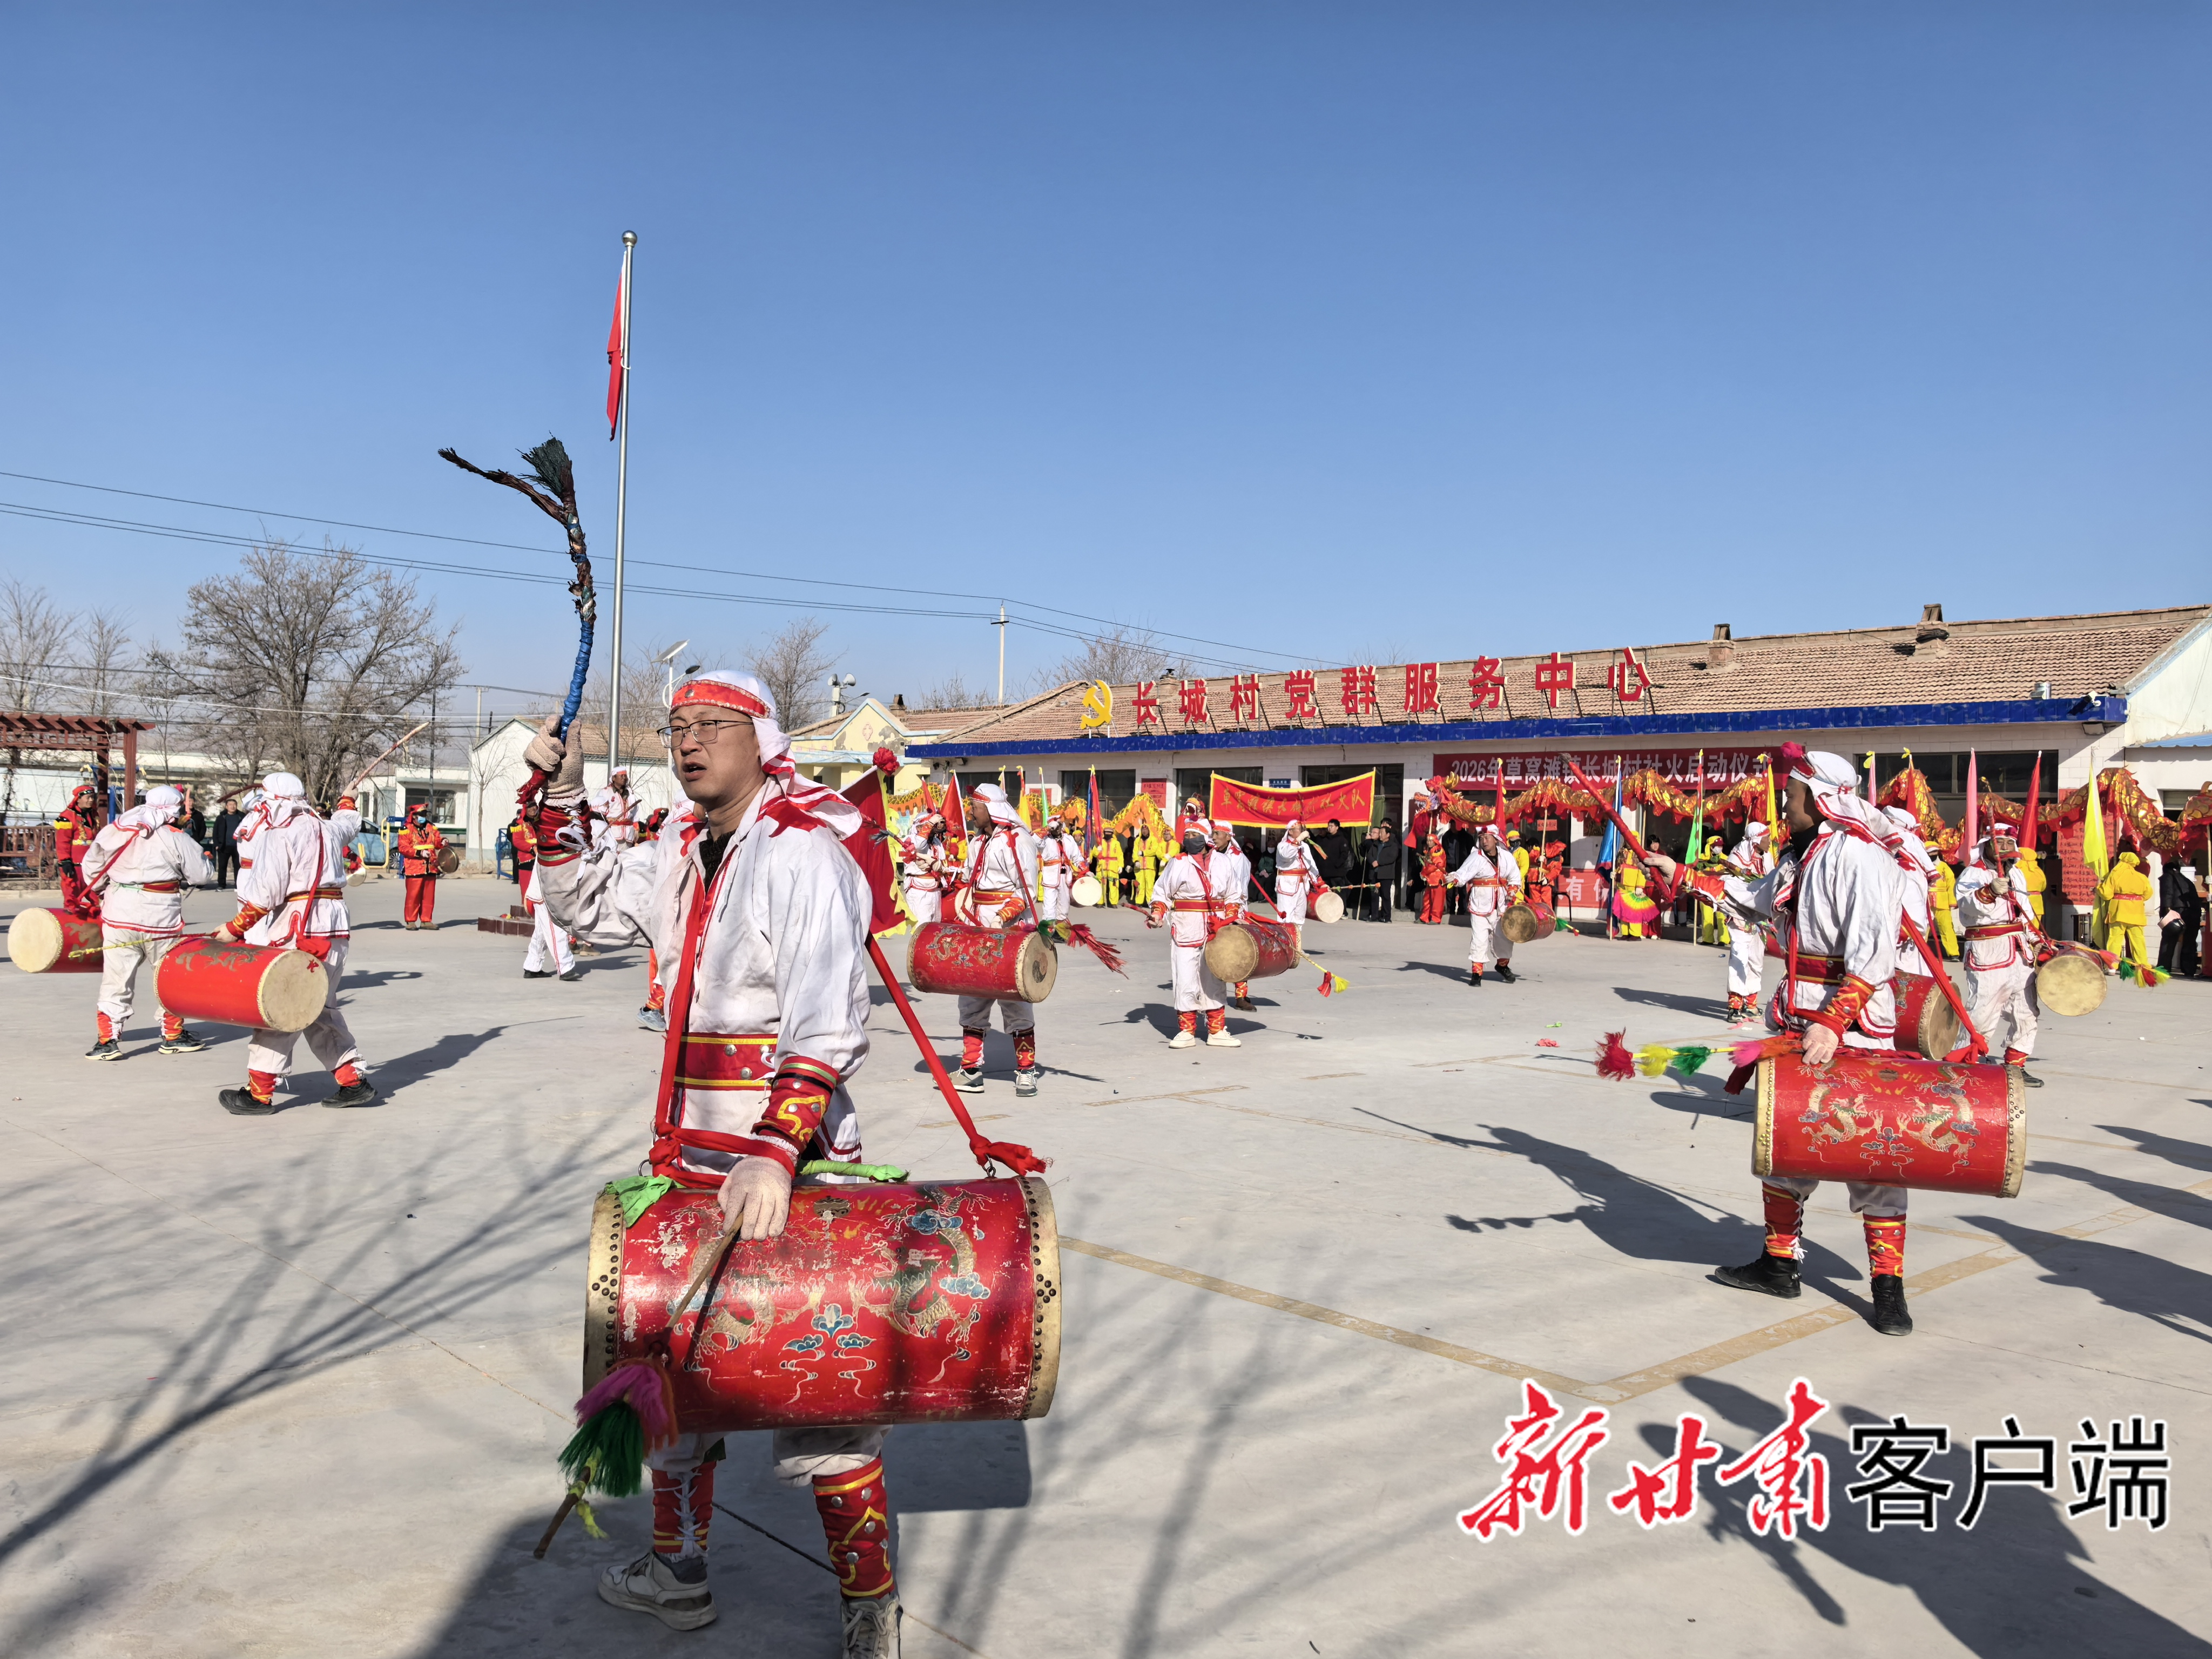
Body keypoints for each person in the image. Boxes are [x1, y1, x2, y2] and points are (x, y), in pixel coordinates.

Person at [523, 671, 904, 1656]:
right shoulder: (679, 847)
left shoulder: (803, 851)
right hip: (690, 1157)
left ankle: (869, 1610)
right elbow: (585, 905)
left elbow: (829, 1018)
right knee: (675, 1375)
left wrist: (777, 1150)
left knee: (824, 1392)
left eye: (711, 726)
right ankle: (677, 1570)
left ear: (761, 740)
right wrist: (561, 795)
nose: (688, 742)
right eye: (677, 727)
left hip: (794, 1162)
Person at [1647, 748, 1916, 1338]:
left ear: (1821, 799)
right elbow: (1752, 898)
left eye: (1791, 796)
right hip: (1797, 1024)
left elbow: (1874, 951)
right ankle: (1778, 1264)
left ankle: (1888, 1289)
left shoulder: (1861, 857)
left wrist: (1834, 1022)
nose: (1783, 806)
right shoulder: (1799, 857)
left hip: (1853, 1030)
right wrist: (1680, 873)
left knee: (1872, 1157)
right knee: (1785, 1147)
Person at [217, 774, 375, 1114]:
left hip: (299, 929)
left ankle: (259, 1094)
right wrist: (348, 799)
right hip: (335, 929)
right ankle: (352, 1082)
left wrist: (235, 928)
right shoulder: (328, 828)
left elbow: (266, 894)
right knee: (318, 1006)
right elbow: (348, 822)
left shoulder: (279, 833)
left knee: (283, 1010)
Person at [78, 784, 217, 1058]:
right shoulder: (176, 837)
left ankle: (107, 1041)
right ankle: (172, 1035)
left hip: (119, 914)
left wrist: (107, 889)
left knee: (116, 978)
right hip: (160, 918)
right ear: (173, 810)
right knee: (168, 976)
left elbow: (91, 868)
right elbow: (201, 876)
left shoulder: (115, 830)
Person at [952, 784, 1043, 1097]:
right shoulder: (978, 841)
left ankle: (1027, 1072)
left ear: (990, 809)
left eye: (975, 807)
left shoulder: (1019, 841)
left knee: (1015, 1000)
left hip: (1010, 930)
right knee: (972, 998)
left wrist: (1002, 917)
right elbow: (970, 879)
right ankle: (971, 1070)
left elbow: (1027, 890)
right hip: (978, 928)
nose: (971, 812)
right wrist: (939, 869)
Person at [1955, 830, 2045, 1087]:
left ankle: (2015, 1066)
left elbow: (2025, 911)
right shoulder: (1973, 874)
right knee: (1982, 1011)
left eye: (2008, 842)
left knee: (2027, 1012)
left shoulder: (2017, 873)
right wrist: (1989, 891)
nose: (2004, 846)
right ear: (1986, 845)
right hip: (1988, 950)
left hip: (2019, 951)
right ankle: (1967, 1066)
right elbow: (1967, 906)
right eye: (1998, 842)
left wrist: (2036, 940)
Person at [1148, 817, 1238, 1048]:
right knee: (1185, 977)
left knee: (1215, 977)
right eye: (1186, 836)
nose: (1189, 839)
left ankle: (1217, 1031)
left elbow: (1234, 895)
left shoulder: (1223, 862)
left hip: (1217, 928)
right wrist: (1158, 914)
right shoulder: (1178, 862)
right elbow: (1162, 893)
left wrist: (1230, 919)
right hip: (1186, 927)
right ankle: (1187, 1031)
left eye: (1194, 835)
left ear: (1206, 838)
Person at [1445, 822, 1523, 986]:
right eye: (1481, 838)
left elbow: (1515, 877)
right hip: (1480, 904)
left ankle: (1503, 966)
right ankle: (1476, 973)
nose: (1484, 841)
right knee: (1479, 940)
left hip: (1501, 905)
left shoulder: (1506, 856)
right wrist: (1454, 878)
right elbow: (1462, 874)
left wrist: (1512, 890)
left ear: (1495, 839)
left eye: (1487, 838)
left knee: (1504, 938)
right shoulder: (1476, 857)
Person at [1884, 807, 1939, 981]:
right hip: (1901, 945)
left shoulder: (1904, 868)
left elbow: (1912, 915)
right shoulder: (1905, 865)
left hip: (1900, 949)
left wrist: (1887, 942)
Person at [1211, 822, 1256, 1009]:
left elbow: (1237, 891)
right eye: (1213, 833)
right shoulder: (1211, 854)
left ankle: (1241, 996)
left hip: (1233, 910)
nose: (1214, 837)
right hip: (1213, 910)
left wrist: (1233, 914)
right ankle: (1209, 993)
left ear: (1229, 837)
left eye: (1218, 834)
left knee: (1238, 952)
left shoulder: (1238, 859)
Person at [1271, 819, 1323, 950]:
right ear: (1291, 831)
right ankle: (1284, 947)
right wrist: (1298, 840)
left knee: (1299, 917)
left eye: (1302, 829)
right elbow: (1287, 856)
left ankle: (1297, 947)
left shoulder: (1305, 846)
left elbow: (1311, 865)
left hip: (1302, 885)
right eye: (1300, 830)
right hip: (1287, 886)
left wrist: (1319, 882)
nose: (1303, 832)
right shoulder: (1283, 846)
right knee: (1286, 917)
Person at [2099, 851, 2154, 970]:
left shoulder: (2115, 875)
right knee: (2138, 940)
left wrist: (2099, 887)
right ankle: (2143, 966)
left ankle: (2112, 966)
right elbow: (2148, 894)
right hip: (2137, 912)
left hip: (2119, 911)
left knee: (2115, 939)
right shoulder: (2142, 877)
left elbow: (2107, 894)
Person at [52, 782, 101, 916]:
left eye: (93, 797)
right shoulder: (67, 817)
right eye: (88, 797)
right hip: (74, 864)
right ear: (78, 799)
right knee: (72, 894)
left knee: (97, 893)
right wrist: (65, 861)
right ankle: (71, 919)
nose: (91, 800)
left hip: (91, 863)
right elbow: (63, 842)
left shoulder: (94, 815)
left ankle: (98, 918)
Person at [898, 811, 950, 926]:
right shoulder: (911, 839)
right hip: (919, 890)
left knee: (936, 927)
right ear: (918, 827)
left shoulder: (936, 842)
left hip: (936, 889)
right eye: (927, 825)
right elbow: (919, 846)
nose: (931, 828)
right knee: (922, 926)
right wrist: (930, 823)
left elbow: (942, 861)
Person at [397, 803, 445, 930]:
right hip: (414, 867)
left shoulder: (431, 827)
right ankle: (411, 921)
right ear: (414, 816)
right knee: (413, 896)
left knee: (428, 896)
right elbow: (403, 848)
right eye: (421, 814)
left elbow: (437, 842)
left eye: (425, 814)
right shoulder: (406, 829)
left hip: (431, 866)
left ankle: (426, 920)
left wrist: (443, 842)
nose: (424, 817)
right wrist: (420, 853)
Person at [1036, 812, 1085, 935]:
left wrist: (1086, 871)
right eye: (1054, 828)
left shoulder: (1069, 839)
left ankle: (1059, 932)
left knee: (1064, 906)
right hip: (1050, 877)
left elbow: (1078, 858)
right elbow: (1034, 840)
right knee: (1049, 905)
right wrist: (1047, 829)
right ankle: (1048, 933)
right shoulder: (1045, 840)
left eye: (1058, 826)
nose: (1057, 830)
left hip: (1065, 877)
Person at [2161, 862, 2203, 977]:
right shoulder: (2187, 880)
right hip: (2194, 912)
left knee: (2169, 940)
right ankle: (2189, 969)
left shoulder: (2167, 877)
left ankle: (2164, 968)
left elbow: (2167, 893)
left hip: (2178, 910)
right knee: (2190, 941)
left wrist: (2166, 912)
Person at [1610, 852, 1658, 939]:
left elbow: (1642, 871)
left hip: (1633, 885)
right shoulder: (1622, 851)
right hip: (1622, 884)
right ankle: (1626, 932)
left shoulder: (1638, 853)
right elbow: (1619, 866)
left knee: (1634, 911)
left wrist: (1640, 886)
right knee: (1623, 910)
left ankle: (1635, 934)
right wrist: (1614, 874)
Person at [1365, 821, 1399, 922]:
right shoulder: (1375, 844)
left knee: (1385, 896)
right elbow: (1369, 855)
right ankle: (1374, 916)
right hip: (1374, 874)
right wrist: (1373, 862)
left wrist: (1379, 862)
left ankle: (1387, 917)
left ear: (1388, 835)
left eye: (1382, 833)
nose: (1380, 835)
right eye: (1379, 833)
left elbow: (1392, 858)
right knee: (1374, 896)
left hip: (1386, 875)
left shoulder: (1393, 846)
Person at [1929, 857, 1960, 958]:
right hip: (1926, 899)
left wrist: (1952, 901)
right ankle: (1920, 951)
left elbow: (1951, 883)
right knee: (1923, 927)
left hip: (1942, 900)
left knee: (1946, 927)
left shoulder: (1943, 866)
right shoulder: (1921, 864)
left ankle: (1953, 953)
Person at [1417, 828, 1448, 924]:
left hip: (1437, 879)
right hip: (1430, 879)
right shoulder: (1429, 851)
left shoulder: (1438, 850)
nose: (1429, 842)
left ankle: (1436, 918)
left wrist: (1424, 873)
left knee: (1437, 901)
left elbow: (1435, 865)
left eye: (1430, 840)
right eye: (1428, 840)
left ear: (1435, 841)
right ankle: (1425, 917)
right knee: (1427, 900)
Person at [212, 799, 244, 888]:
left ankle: (238, 885)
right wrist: (216, 845)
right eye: (230, 805)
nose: (232, 806)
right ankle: (221, 884)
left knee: (238, 867)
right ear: (226, 807)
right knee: (222, 866)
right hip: (224, 846)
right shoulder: (221, 817)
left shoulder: (242, 817)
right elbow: (215, 832)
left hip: (238, 846)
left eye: (234, 804)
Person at [1092, 827, 1124, 908]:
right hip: (1102, 866)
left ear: (1112, 834)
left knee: (1114, 885)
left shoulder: (1116, 843)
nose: (1108, 835)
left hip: (1113, 867)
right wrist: (1098, 849)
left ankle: (1114, 903)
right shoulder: (1100, 842)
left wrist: (1121, 866)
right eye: (1106, 833)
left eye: (1109, 834)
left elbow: (1120, 855)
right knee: (1101, 884)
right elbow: (1094, 854)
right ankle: (1100, 902)